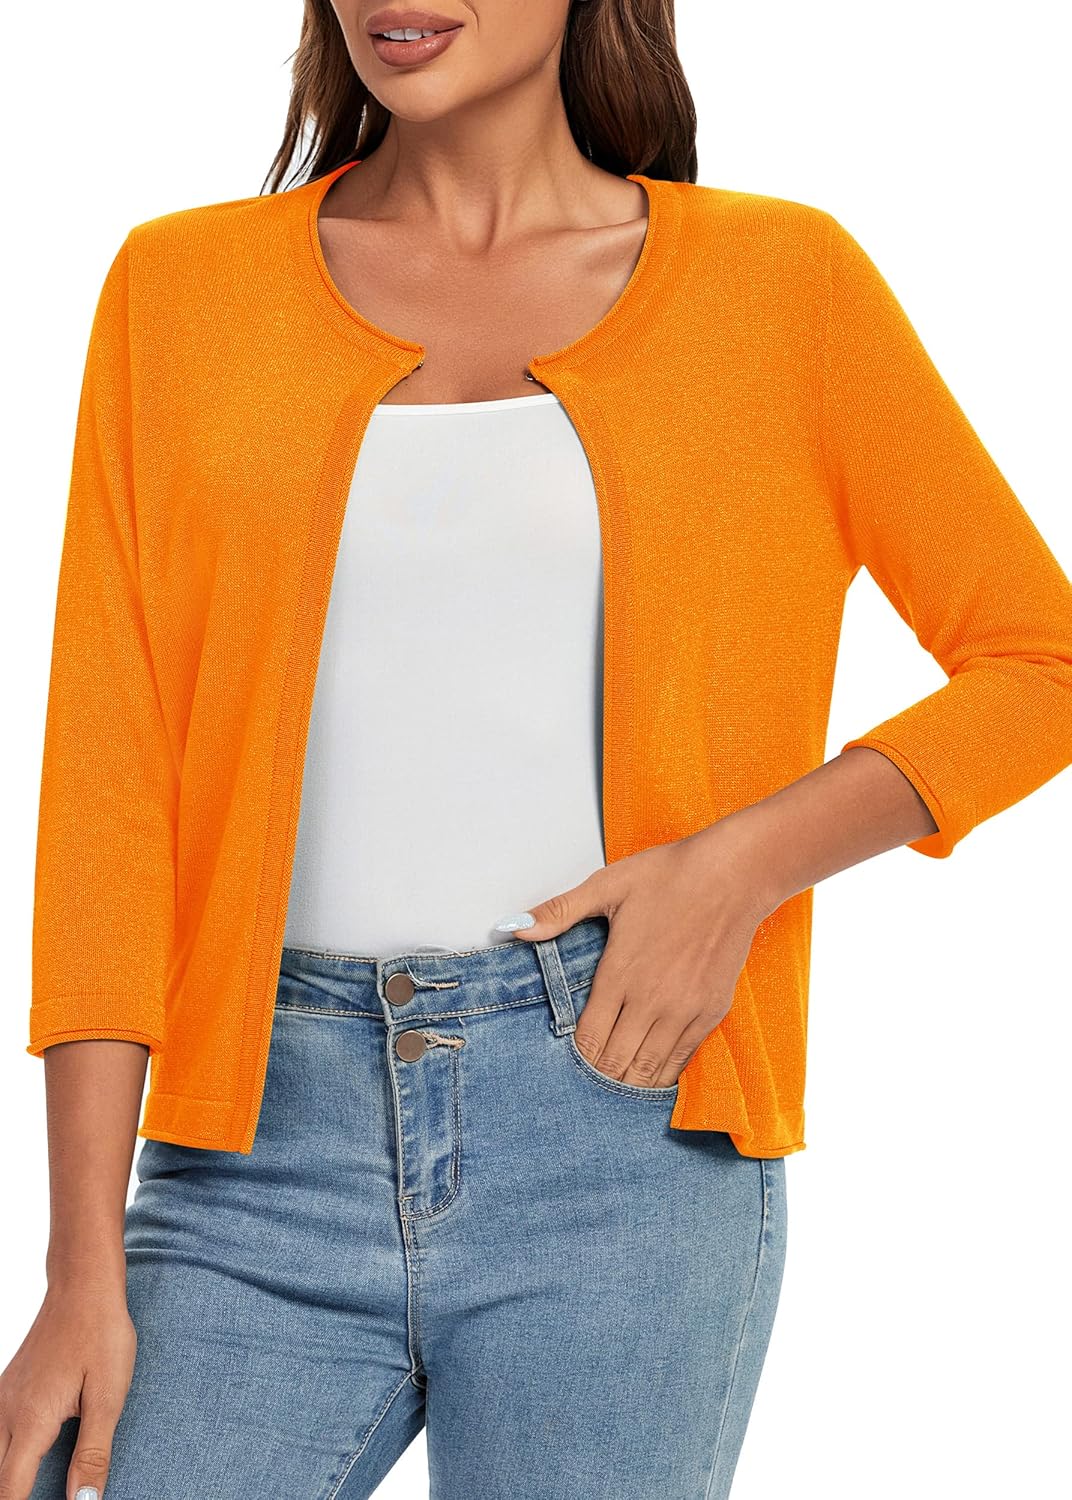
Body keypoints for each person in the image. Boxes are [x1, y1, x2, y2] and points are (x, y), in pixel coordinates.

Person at [4, 1, 1072, 1497]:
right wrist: (78, 1267)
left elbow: (1039, 661)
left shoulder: (782, 285)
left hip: (626, 1137)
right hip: (248, 1151)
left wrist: (736, 872)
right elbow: (109, 784)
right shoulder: (179, 291)